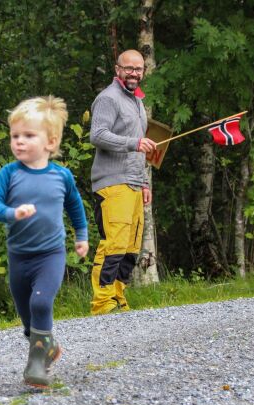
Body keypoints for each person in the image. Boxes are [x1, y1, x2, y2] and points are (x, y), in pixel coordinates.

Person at [0, 96, 89, 388]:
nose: (19, 141)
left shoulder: (61, 176)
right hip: (19, 256)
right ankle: (47, 346)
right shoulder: (9, 174)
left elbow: (75, 208)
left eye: (28, 135)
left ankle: (37, 363)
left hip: (51, 255)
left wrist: (81, 237)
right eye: (15, 136)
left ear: (50, 142)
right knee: (28, 318)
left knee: (41, 301)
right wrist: (11, 213)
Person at [89, 49, 156, 315]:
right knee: (113, 245)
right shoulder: (108, 98)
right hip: (111, 183)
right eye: (129, 68)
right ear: (117, 69)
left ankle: (118, 299)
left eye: (139, 69)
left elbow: (140, 150)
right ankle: (102, 305)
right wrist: (134, 143)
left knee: (130, 247)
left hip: (133, 184)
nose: (134, 73)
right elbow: (98, 135)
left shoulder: (137, 102)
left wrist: (144, 183)